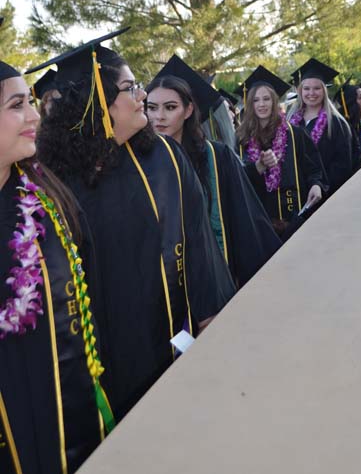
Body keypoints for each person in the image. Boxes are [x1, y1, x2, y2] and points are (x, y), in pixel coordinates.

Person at [29, 30, 235, 422]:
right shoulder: (54, 184)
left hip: (176, 342)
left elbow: (199, 247)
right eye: (128, 87)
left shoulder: (165, 157)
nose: (142, 95)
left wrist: (212, 319)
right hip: (104, 364)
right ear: (96, 104)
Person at [0, 60, 114, 474]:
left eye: (30, 101)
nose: (34, 115)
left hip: (75, 422)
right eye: (17, 105)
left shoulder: (44, 198)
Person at [146, 56, 281, 287]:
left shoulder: (216, 157)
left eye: (170, 107)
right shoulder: (139, 162)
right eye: (151, 107)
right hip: (163, 282)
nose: (159, 116)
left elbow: (245, 221)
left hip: (214, 276)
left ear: (188, 110)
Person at [235, 66, 327, 239]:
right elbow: (237, 180)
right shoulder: (241, 140)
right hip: (257, 222)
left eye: (266, 99)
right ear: (249, 104)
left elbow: (314, 169)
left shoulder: (296, 134)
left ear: (274, 101)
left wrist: (316, 185)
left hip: (294, 218)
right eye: (256, 100)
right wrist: (259, 167)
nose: (261, 104)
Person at [287, 58, 353, 195]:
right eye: (306, 88)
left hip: (325, 194)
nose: (311, 93)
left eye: (317, 88)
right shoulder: (291, 123)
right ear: (300, 91)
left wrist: (321, 186)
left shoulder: (336, 123)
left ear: (324, 91)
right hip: (295, 194)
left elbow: (343, 164)